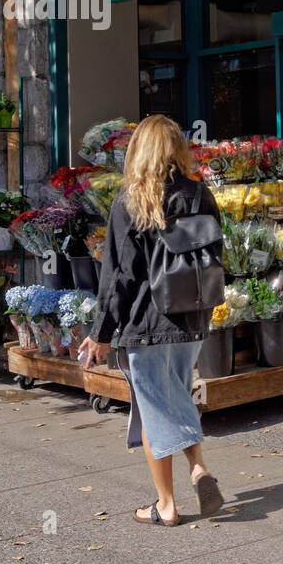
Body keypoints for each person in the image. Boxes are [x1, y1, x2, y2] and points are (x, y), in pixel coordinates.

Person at [80, 115, 226, 527]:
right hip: (192, 319)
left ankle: (166, 505)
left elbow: (118, 276)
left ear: (138, 151)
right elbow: (215, 255)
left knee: (152, 411)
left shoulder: (131, 202)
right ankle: (197, 467)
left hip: (146, 325)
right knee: (176, 396)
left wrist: (100, 335)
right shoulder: (200, 195)